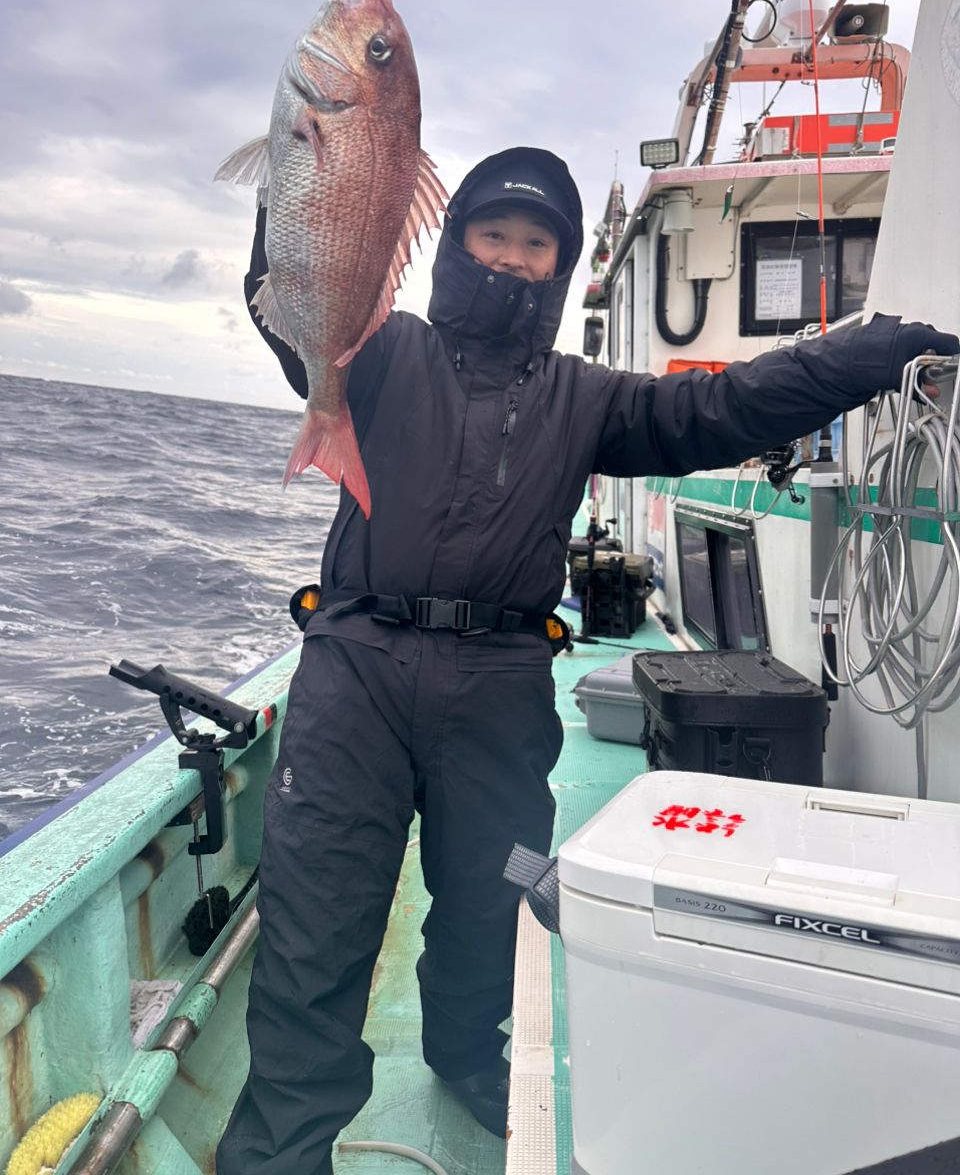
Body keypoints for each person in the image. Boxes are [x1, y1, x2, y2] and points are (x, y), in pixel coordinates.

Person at [216, 146, 958, 1174]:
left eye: (538, 245)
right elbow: (284, 302)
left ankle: (466, 1051)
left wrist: (864, 355)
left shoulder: (587, 397)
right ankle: (279, 1151)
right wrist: (300, 182)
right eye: (494, 236)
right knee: (315, 924)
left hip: (502, 688)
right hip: (356, 673)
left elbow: (723, 409)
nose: (514, 262)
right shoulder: (378, 352)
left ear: (559, 268)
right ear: (458, 243)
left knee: (496, 885)